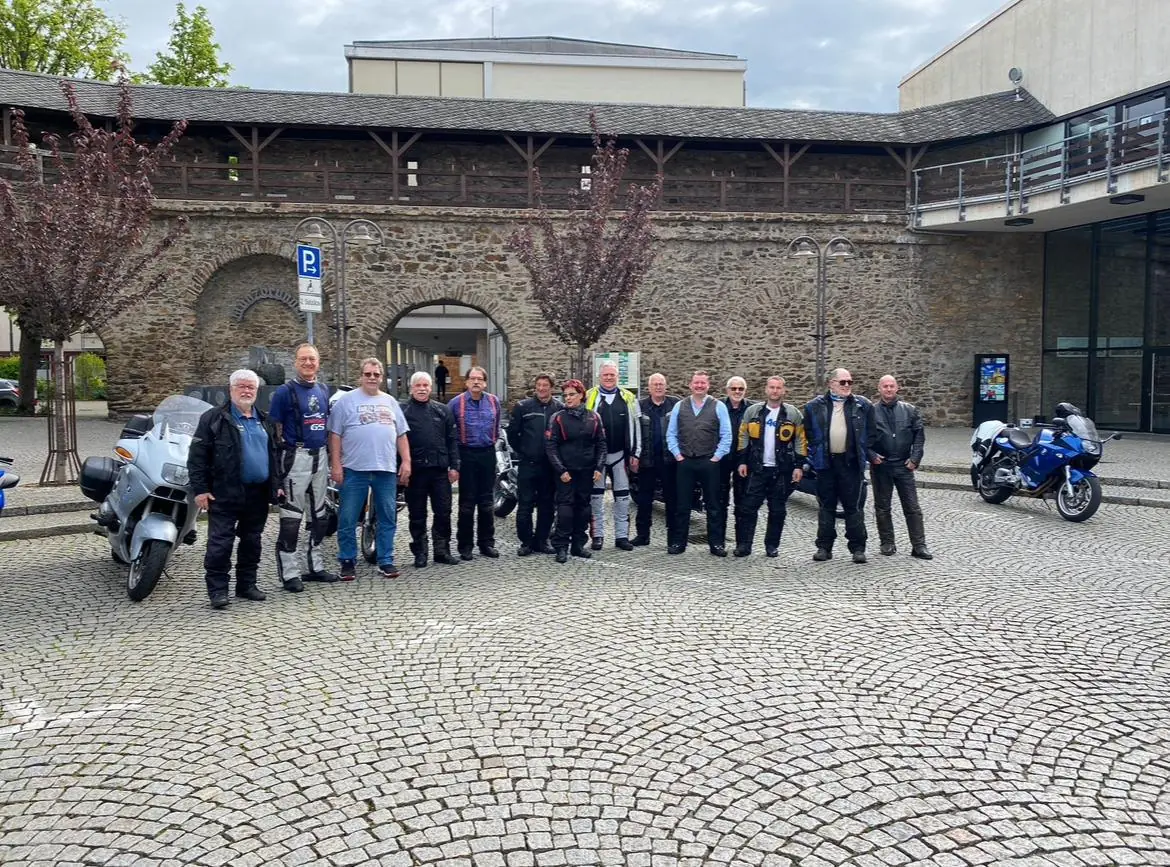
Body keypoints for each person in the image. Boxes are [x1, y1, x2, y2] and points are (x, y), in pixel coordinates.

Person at [189, 369, 282, 610]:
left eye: (251, 387)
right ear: (230, 389)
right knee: (220, 543)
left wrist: (277, 485)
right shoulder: (213, 419)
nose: (246, 391)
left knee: (252, 541)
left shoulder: (265, 420)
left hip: (258, 493)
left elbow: (275, 455)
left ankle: (246, 585)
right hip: (223, 492)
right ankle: (218, 590)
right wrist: (200, 489)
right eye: (241, 386)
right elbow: (197, 456)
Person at [328, 358, 412, 579]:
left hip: (385, 469)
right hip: (354, 469)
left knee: (387, 516)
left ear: (382, 377)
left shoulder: (390, 402)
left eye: (376, 374)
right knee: (347, 517)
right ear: (361, 376)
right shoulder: (346, 401)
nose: (372, 378)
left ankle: (385, 560)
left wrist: (406, 461)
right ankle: (347, 560)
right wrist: (336, 464)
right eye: (368, 374)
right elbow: (335, 435)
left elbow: (401, 435)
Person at [268, 342, 336, 591]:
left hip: (320, 456)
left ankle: (315, 566)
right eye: (303, 359)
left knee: (320, 516)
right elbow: (274, 432)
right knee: (291, 518)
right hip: (295, 457)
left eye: (312, 359)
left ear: (318, 363)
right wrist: (277, 473)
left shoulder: (323, 390)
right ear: (295, 362)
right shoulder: (284, 392)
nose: (308, 363)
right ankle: (289, 573)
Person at [803, 368, 876, 564]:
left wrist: (862, 451)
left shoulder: (863, 405)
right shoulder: (813, 406)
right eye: (842, 382)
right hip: (825, 463)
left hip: (850, 463)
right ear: (831, 383)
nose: (847, 386)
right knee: (826, 505)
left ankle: (858, 548)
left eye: (849, 382)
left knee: (853, 507)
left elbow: (871, 433)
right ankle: (824, 547)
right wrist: (814, 455)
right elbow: (807, 434)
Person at [734, 376, 806, 558]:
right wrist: (742, 461)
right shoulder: (753, 411)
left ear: (784, 390)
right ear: (766, 389)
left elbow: (800, 440)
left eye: (778, 388)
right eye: (772, 387)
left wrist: (799, 465)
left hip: (781, 470)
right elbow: (743, 436)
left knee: (778, 510)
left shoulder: (793, 414)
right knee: (748, 508)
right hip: (757, 468)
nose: (775, 391)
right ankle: (744, 545)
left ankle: (772, 545)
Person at [666, 370, 732, 556]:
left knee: (713, 505)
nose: (699, 386)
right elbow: (671, 433)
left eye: (703, 383)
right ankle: (679, 543)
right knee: (682, 505)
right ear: (690, 385)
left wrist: (716, 457)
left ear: (708, 385)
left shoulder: (718, 406)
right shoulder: (680, 406)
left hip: (709, 461)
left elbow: (726, 435)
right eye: (696, 383)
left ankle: (716, 544)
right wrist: (678, 455)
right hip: (685, 461)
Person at [400, 370, 461, 568]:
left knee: (443, 512)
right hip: (415, 472)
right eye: (418, 385)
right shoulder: (403, 411)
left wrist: (455, 466)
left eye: (425, 385)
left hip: (440, 471)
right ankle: (420, 552)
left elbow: (452, 440)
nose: (422, 389)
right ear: (411, 388)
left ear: (431, 387)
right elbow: (396, 441)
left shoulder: (442, 410)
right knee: (417, 514)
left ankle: (442, 551)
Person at [872, 374, 932, 560]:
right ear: (879, 389)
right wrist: (871, 455)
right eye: (885, 386)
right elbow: (862, 438)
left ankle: (919, 545)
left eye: (892, 386)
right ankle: (887, 542)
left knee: (912, 507)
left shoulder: (910, 410)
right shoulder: (871, 412)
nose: (889, 389)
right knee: (882, 507)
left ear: (897, 388)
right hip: (881, 465)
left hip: (904, 465)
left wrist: (915, 459)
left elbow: (919, 436)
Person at [545, 379, 606, 563]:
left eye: (572, 394)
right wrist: (561, 470)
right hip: (566, 472)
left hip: (587, 471)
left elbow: (601, 444)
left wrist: (599, 467)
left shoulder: (594, 417)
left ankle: (578, 545)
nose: (568, 398)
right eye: (565, 395)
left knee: (583, 510)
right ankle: (561, 546)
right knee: (565, 511)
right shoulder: (558, 417)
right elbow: (550, 446)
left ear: (581, 395)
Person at [585, 361, 641, 551]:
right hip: (597, 459)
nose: (609, 378)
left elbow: (637, 427)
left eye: (612, 375)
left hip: (620, 456)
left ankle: (622, 536)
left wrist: (636, 453)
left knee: (623, 498)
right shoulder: (589, 396)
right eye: (605, 375)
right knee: (596, 499)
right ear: (599, 376)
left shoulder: (628, 398)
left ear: (618, 377)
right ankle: (597, 536)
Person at [448, 366, 502, 560]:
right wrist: (454, 462)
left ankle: (486, 543)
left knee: (487, 502)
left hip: (487, 454)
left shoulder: (494, 401)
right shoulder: (455, 403)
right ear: (467, 382)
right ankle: (465, 546)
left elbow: (497, 427)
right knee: (467, 503)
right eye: (473, 378)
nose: (476, 382)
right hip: (466, 454)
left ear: (485, 383)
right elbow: (450, 433)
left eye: (480, 379)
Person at [507, 373, 562, 556]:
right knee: (525, 505)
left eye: (545, 385)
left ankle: (542, 540)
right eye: (538, 385)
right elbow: (513, 434)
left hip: (549, 466)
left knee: (547, 505)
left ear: (551, 387)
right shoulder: (523, 407)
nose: (541, 388)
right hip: (528, 464)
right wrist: (523, 451)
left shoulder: (559, 408)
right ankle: (526, 542)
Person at [632, 372, 679, 547]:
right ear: (649, 387)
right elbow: (633, 431)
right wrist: (634, 455)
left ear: (666, 386)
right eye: (655, 384)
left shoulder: (675, 404)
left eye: (661, 384)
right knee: (644, 500)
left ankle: (674, 537)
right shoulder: (639, 405)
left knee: (672, 500)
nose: (658, 387)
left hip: (669, 460)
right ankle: (642, 535)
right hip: (647, 459)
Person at [719, 376, 755, 544]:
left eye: (741, 389)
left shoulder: (753, 409)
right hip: (721, 459)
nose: (737, 392)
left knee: (743, 502)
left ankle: (742, 543)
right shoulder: (718, 406)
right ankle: (718, 541)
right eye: (733, 388)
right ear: (727, 390)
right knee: (719, 501)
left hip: (744, 460)